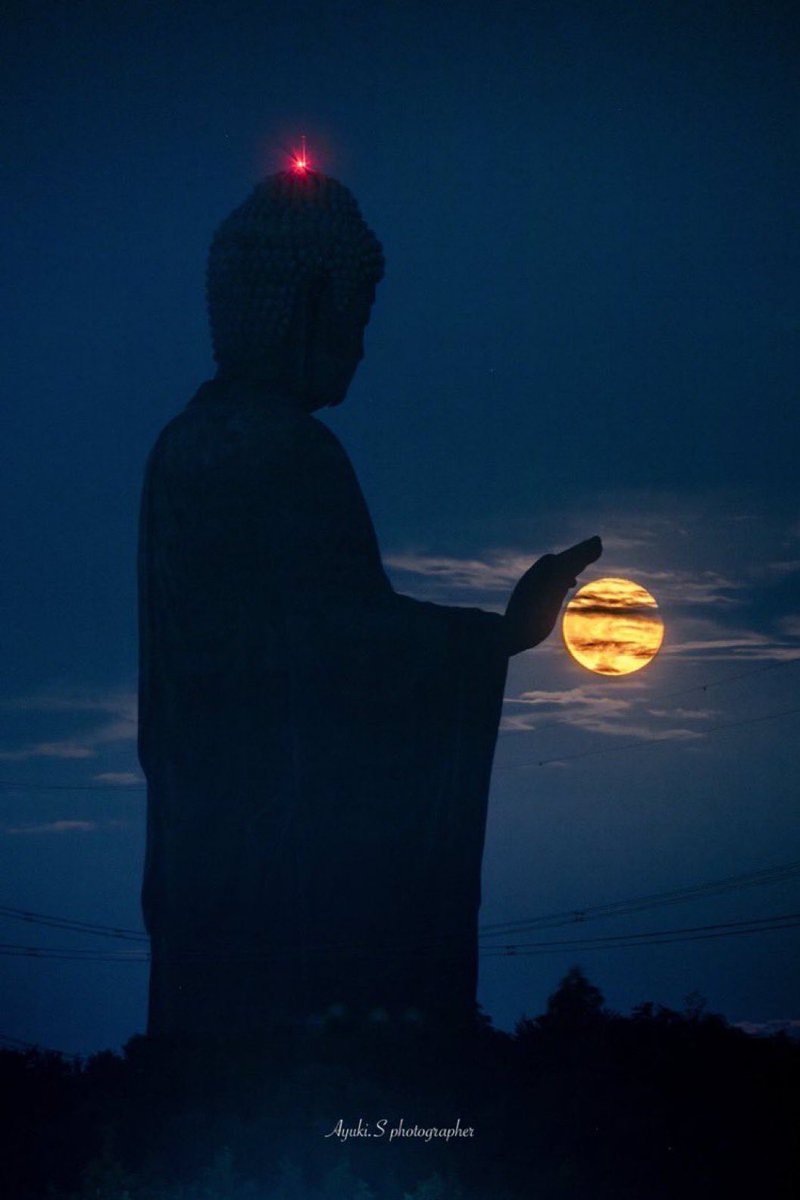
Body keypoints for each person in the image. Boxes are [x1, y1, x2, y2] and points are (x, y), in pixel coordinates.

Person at [137, 169, 601, 1038]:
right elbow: (343, 653)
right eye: (355, 320)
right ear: (308, 302)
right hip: (282, 878)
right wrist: (501, 637)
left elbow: (307, 643)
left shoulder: (182, 445)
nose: (359, 349)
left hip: (205, 856)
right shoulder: (287, 451)